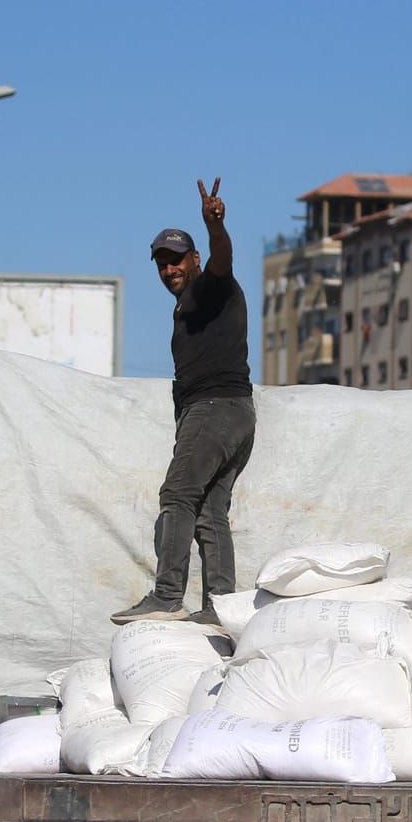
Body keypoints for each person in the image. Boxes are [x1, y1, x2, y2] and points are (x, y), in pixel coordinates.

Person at [112, 177, 254, 626]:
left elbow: (223, 259)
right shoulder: (185, 309)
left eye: (177, 260)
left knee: (177, 494)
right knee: (211, 513)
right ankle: (220, 608)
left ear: (194, 260)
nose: (170, 269)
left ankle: (167, 595)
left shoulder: (211, 288)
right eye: (162, 264)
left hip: (215, 408)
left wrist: (215, 224)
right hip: (236, 414)